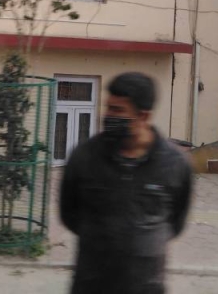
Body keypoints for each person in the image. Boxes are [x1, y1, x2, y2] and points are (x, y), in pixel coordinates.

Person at [59, 72, 193, 294]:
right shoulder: (85, 156)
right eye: (108, 107)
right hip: (91, 283)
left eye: (117, 110)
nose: (108, 115)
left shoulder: (174, 164)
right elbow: (69, 214)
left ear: (143, 116)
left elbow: (175, 223)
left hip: (145, 285)